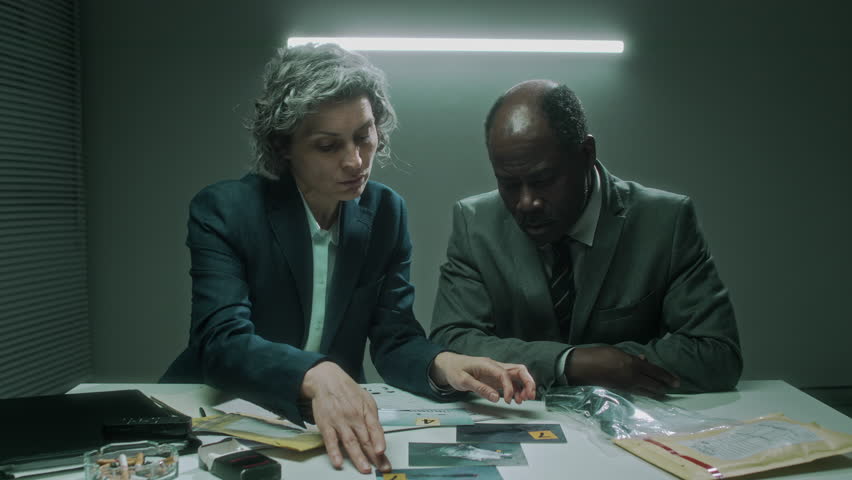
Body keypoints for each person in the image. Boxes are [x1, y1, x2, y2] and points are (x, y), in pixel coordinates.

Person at [161, 44, 535, 474]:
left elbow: (394, 338)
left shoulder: (387, 213)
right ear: (284, 146)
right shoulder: (225, 210)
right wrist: (317, 373)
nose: (355, 161)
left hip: (317, 429)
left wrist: (443, 364)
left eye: (364, 135)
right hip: (214, 422)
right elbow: (220, 342)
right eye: (327, 146)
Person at [430, 79, 742, 398]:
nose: (526, 203)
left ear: (586, 154)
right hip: (518, 423)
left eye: (544, 180)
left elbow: (716, 354)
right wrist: (571, 363)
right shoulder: (475, 223)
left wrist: (614, 364)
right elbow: (451, 343)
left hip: (635, 431)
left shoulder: (665, 222)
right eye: (509, 184)